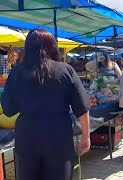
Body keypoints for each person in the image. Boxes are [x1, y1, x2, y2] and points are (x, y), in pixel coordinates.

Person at [1, 29, 91, 180]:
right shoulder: (66, 70)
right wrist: (86, 137)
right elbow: (82, 108)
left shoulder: (16, 73)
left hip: (28, 136)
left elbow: (8, 110)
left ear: (28, 47)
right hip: (58, 136)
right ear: (52, 46)